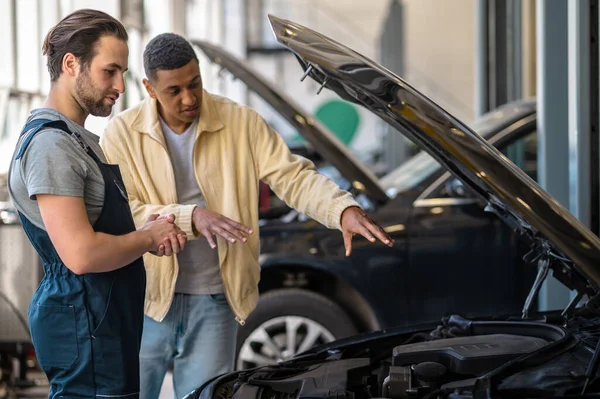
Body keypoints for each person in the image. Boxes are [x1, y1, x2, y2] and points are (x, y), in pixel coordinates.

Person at [100, 32, 393, 399]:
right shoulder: (120, 134)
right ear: (149, 88)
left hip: (216, 298)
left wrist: (341, 209)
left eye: (195, 84)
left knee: (205, 395)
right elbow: (124, 209)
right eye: (174, 91)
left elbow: (293, 176)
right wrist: (191, 216)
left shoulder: (241, 122)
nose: (189, 98)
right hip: (146, 297)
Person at [7, 9, 188, 399]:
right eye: (110, 71)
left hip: (101, 321)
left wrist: (143, 232)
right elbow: (82, 254)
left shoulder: (78, 139)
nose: (121, 85)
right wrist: (146, 237)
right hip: (83, 323)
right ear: (71, 64)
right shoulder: (52, 145)